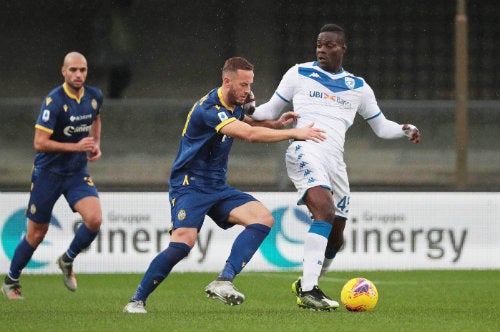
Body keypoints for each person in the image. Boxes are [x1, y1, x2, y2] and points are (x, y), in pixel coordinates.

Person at [123, 56, 326, 314]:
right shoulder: (209, 109)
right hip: (190, 185)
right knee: (183, 244)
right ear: (227, 81)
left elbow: (250, 122)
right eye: (243, 84)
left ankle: (223, 280)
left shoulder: (235, 103)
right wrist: (293, 133)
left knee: (263, 219)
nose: (248, 90)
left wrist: (276, 124)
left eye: (250, 84)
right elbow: (248, 134)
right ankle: (136, 300)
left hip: (217, 186)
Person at [251, 23, 421, 311]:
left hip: (335, 162)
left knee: (337, 235)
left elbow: (381, 127)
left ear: (343, 48)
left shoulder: (358, 87)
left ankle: (308, 281)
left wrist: (403, 129)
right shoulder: (298, 74)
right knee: (325, 211)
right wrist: (246, 107)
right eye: (319, 44)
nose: (322, 49)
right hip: (305, 149)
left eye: (329, 45)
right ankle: (308, 290)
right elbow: (267, 111)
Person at [1, 52, 104, 300]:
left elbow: (97, 118)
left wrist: (96, 144)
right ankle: (11, 281)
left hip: (76, 173)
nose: (78, 74)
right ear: (64, 72)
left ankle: (67, 259)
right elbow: (40, 142)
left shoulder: (94, 96)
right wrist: (76, 147)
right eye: (73, 70)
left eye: (83, 70)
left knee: (94, 219)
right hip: (48, 174)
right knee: (37, 234)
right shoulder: (54, 102)